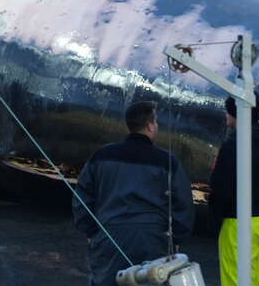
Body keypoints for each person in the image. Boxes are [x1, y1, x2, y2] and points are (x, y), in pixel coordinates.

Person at [72, 101, 195, 286]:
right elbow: (183, 204)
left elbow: (81, 197)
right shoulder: (167, 162)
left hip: (109, 234)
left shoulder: (102, 156)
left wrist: (90, 230)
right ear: (150, 125)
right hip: (151, 239)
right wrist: (177, 238)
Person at [209, 93, 259, 286]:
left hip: (239, 226)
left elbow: (222, 190)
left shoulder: (232, 145)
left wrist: (214, 218)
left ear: (233, 114)